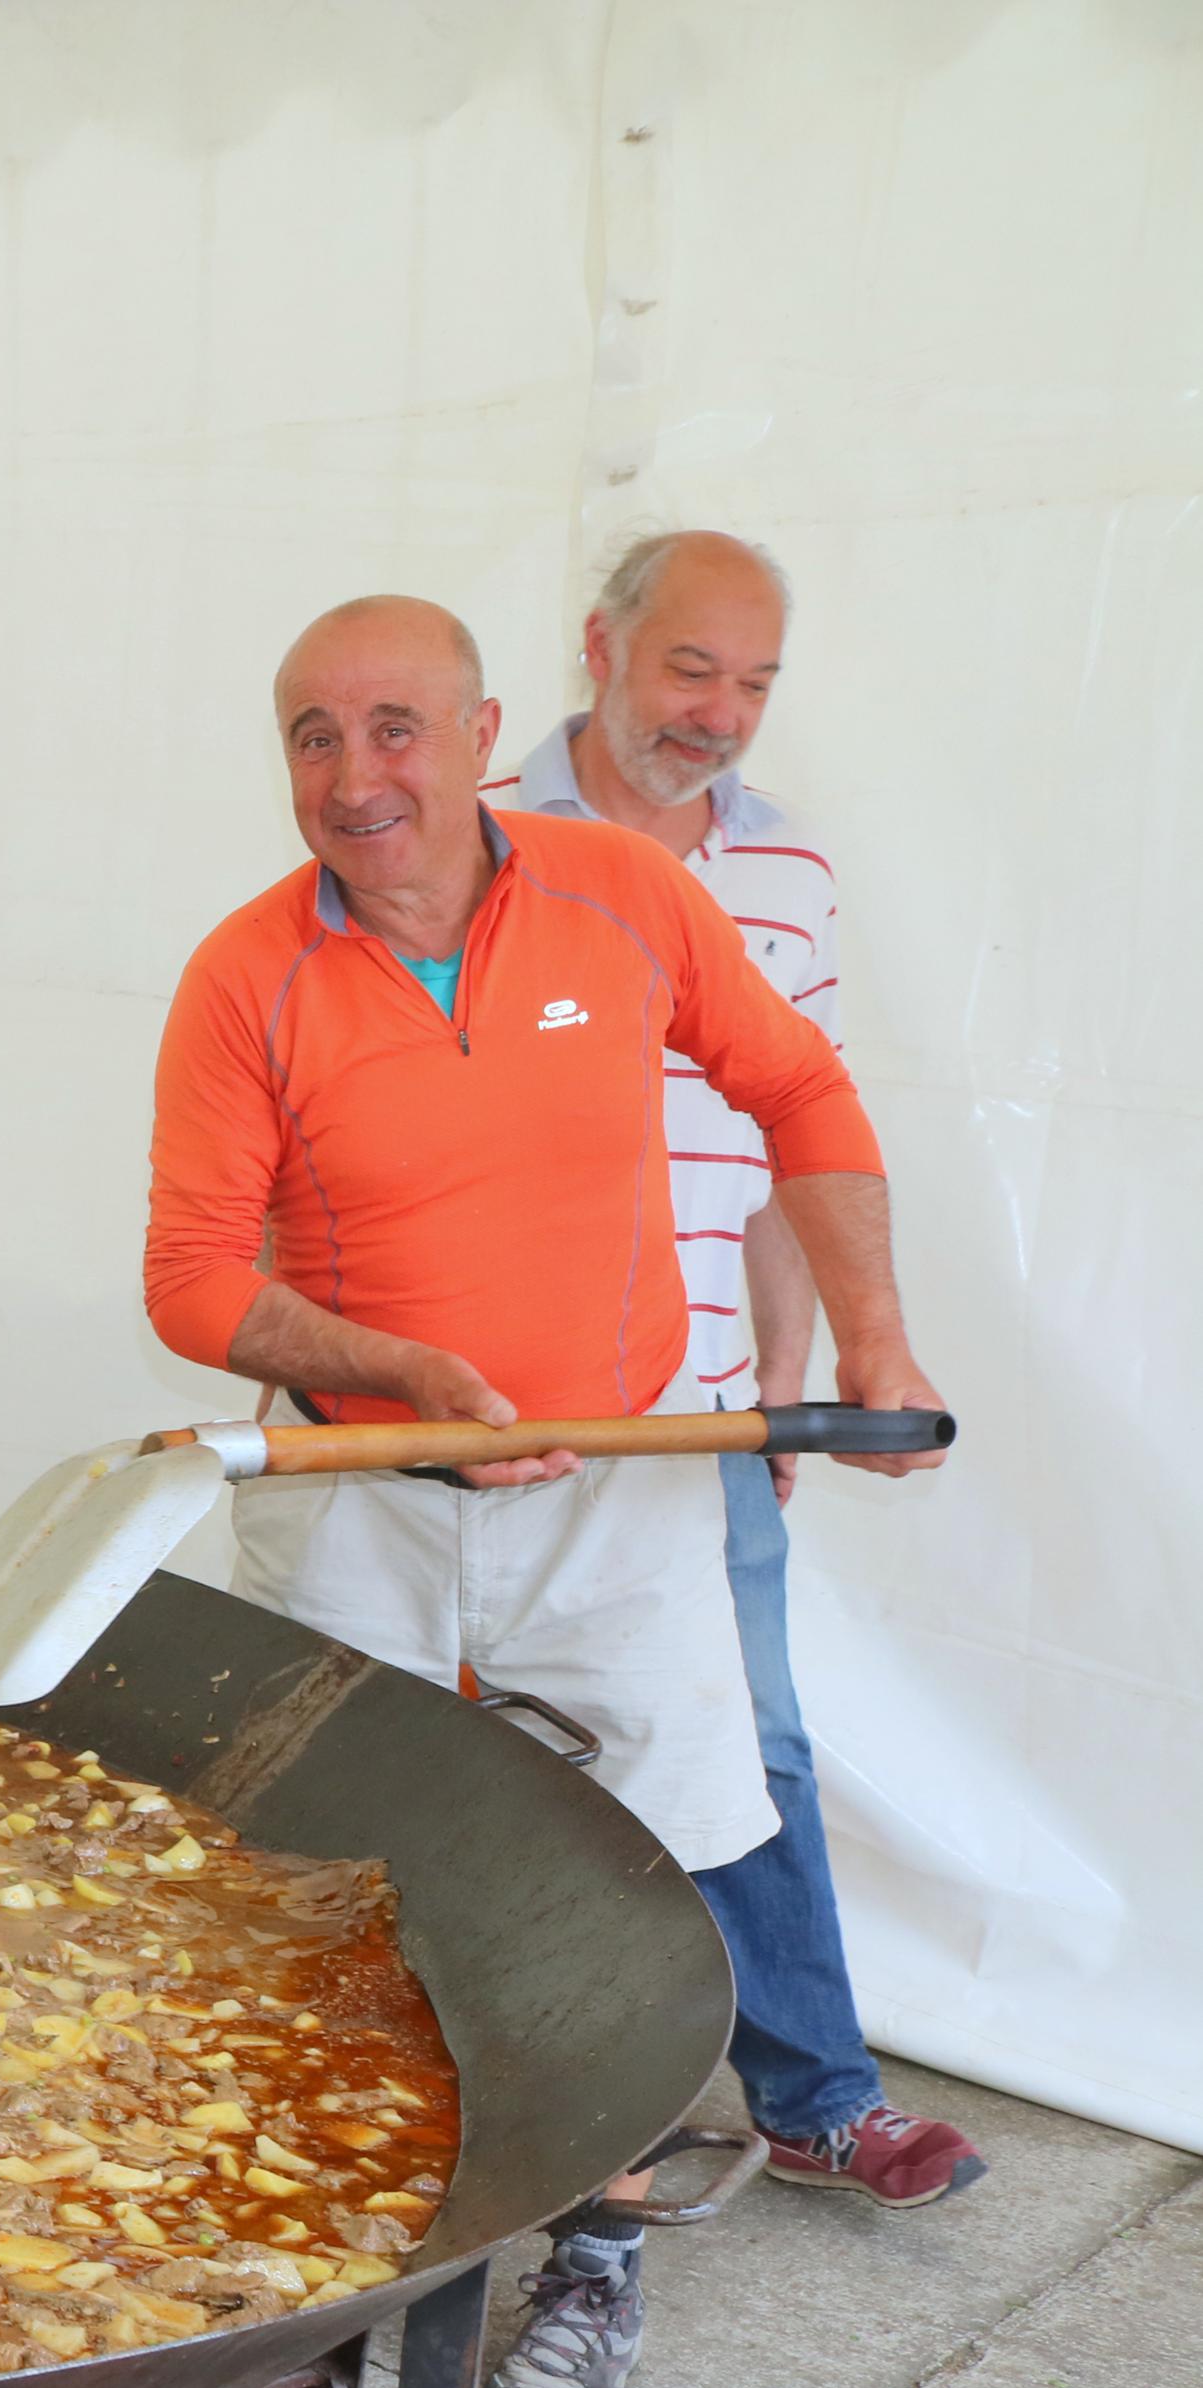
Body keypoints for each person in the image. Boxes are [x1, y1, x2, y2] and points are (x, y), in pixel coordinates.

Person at [142, 597, 949, 2388]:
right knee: (315, 1868)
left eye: (395, 728)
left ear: (484, 726)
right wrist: (386, 1371)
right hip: (353, 1493)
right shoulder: (240, 974)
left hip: (619, 1477)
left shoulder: (617, 896)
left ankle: (595, 2249)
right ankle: (306, 2232)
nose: (355, 779)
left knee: (638, 1872)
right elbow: (191, 1280)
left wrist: (879, 1341)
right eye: (311, 737)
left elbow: (798, 1091)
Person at [488, 530, 984, 2217]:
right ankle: (505, 2099)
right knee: (472, 1745)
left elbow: (795, 1129)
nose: (718, 713)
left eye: (753, 683)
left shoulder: (786, 878)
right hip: (507, 1404)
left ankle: (811, 2098)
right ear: (598, 647)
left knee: (747, 1740)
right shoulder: (475, 840)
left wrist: (780, 1383)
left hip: (699, 1402)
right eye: (691, 669)